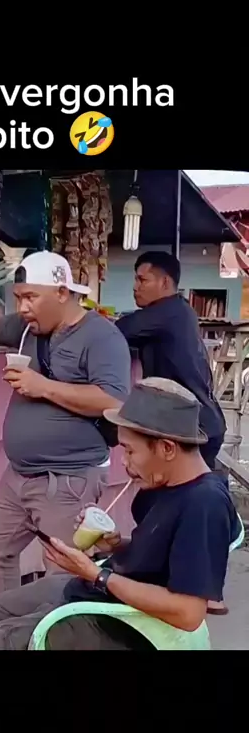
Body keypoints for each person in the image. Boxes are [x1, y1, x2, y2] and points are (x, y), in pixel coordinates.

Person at [0, 377, 239, 650]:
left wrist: (96, 574)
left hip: (122, 622)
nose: (124, 461)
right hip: (99, 589)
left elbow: (188, 613)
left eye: (130, 451)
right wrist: (115, 545)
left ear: (167, 449)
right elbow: (164, 556)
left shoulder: (204, 504)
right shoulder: (165, 483)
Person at [0, 250, 131, 596]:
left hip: (69, 477)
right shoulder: (28, 328)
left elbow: (114, 402)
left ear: (61, 293)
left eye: (31, 297)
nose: (22, 307)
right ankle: (5, 622)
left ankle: (56, 626)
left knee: (62, 571)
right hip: (19, 474)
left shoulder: (102, 337)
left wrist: (43, 387)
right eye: (18, 298)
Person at [116, 251, 229, 614]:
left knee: (184, 505)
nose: (135, 287)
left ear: (165, 283)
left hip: (193, 425)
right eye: (135, 280)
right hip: (194, 421)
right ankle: (180, 583)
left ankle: (198, 592)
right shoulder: (173, 314)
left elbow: (119, 331)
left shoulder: (167, 312)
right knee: (163, 504)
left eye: (142, 280)